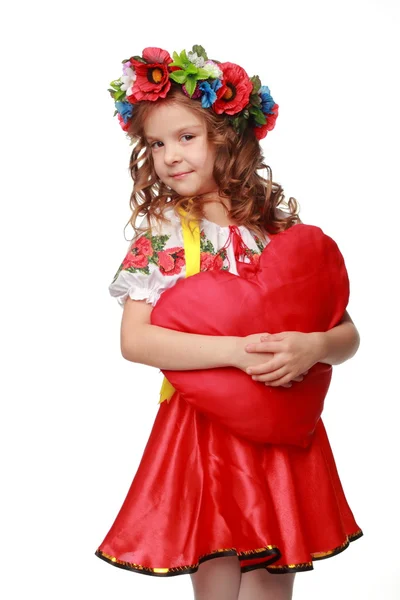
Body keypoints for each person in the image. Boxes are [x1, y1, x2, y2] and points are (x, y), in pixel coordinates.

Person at [95, 45, 363, 600]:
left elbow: (347, 337)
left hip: (283, 427)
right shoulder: (165, 232)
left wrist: (313, 345)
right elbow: (135, 340)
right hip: (203, 432)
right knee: (219, 582)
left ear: (227, 136)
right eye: (156, 143)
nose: (170, 155)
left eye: (185, 137)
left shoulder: (280, 234)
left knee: (271, 586)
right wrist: (241, 353)